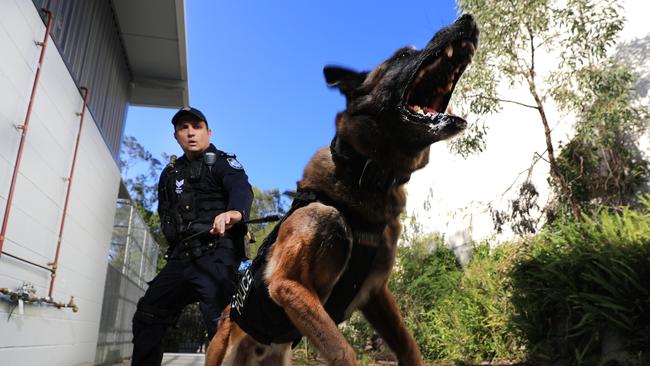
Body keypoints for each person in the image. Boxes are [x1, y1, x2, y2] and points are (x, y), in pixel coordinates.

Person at [131, 107, 253, 365]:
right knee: (148, 314)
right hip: (181, 258)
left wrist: (234, 213)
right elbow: (166, 211)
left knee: (222, 322)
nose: (190, 132)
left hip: (216, 254)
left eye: (196, 127)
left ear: (208, 132)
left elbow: (241, 189)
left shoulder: (222, 163)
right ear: (176, 136)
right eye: (183, 128)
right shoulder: (170, 173)